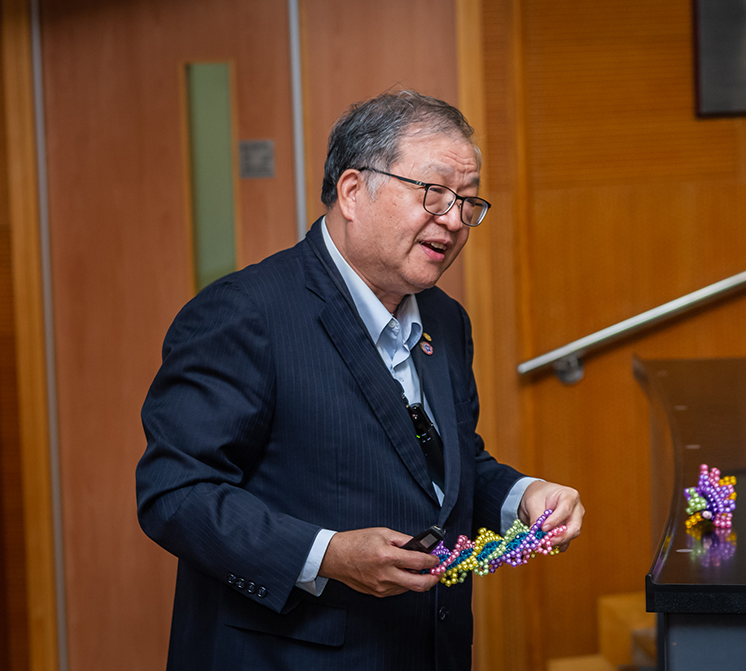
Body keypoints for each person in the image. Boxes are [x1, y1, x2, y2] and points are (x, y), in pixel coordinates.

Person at [136, 90, 584, 670]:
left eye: (468, 203)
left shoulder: (445, 319)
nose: (453, 220)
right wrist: (328, 555)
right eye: (434, 194)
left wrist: (523, 498)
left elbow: (445, 467)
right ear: (352, 192)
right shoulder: (246, 313)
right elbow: (175, 493)